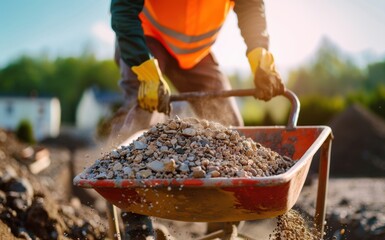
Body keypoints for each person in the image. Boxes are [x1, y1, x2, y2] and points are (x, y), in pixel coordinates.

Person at [108, 0, 285, 239]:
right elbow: (124, 8)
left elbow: (250, 6)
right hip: (145, 41)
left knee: (231, 129)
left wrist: (259, 53)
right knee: (141, 114)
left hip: (196, 54)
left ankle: (222, 223)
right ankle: (137, 224)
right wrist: (144, 69)